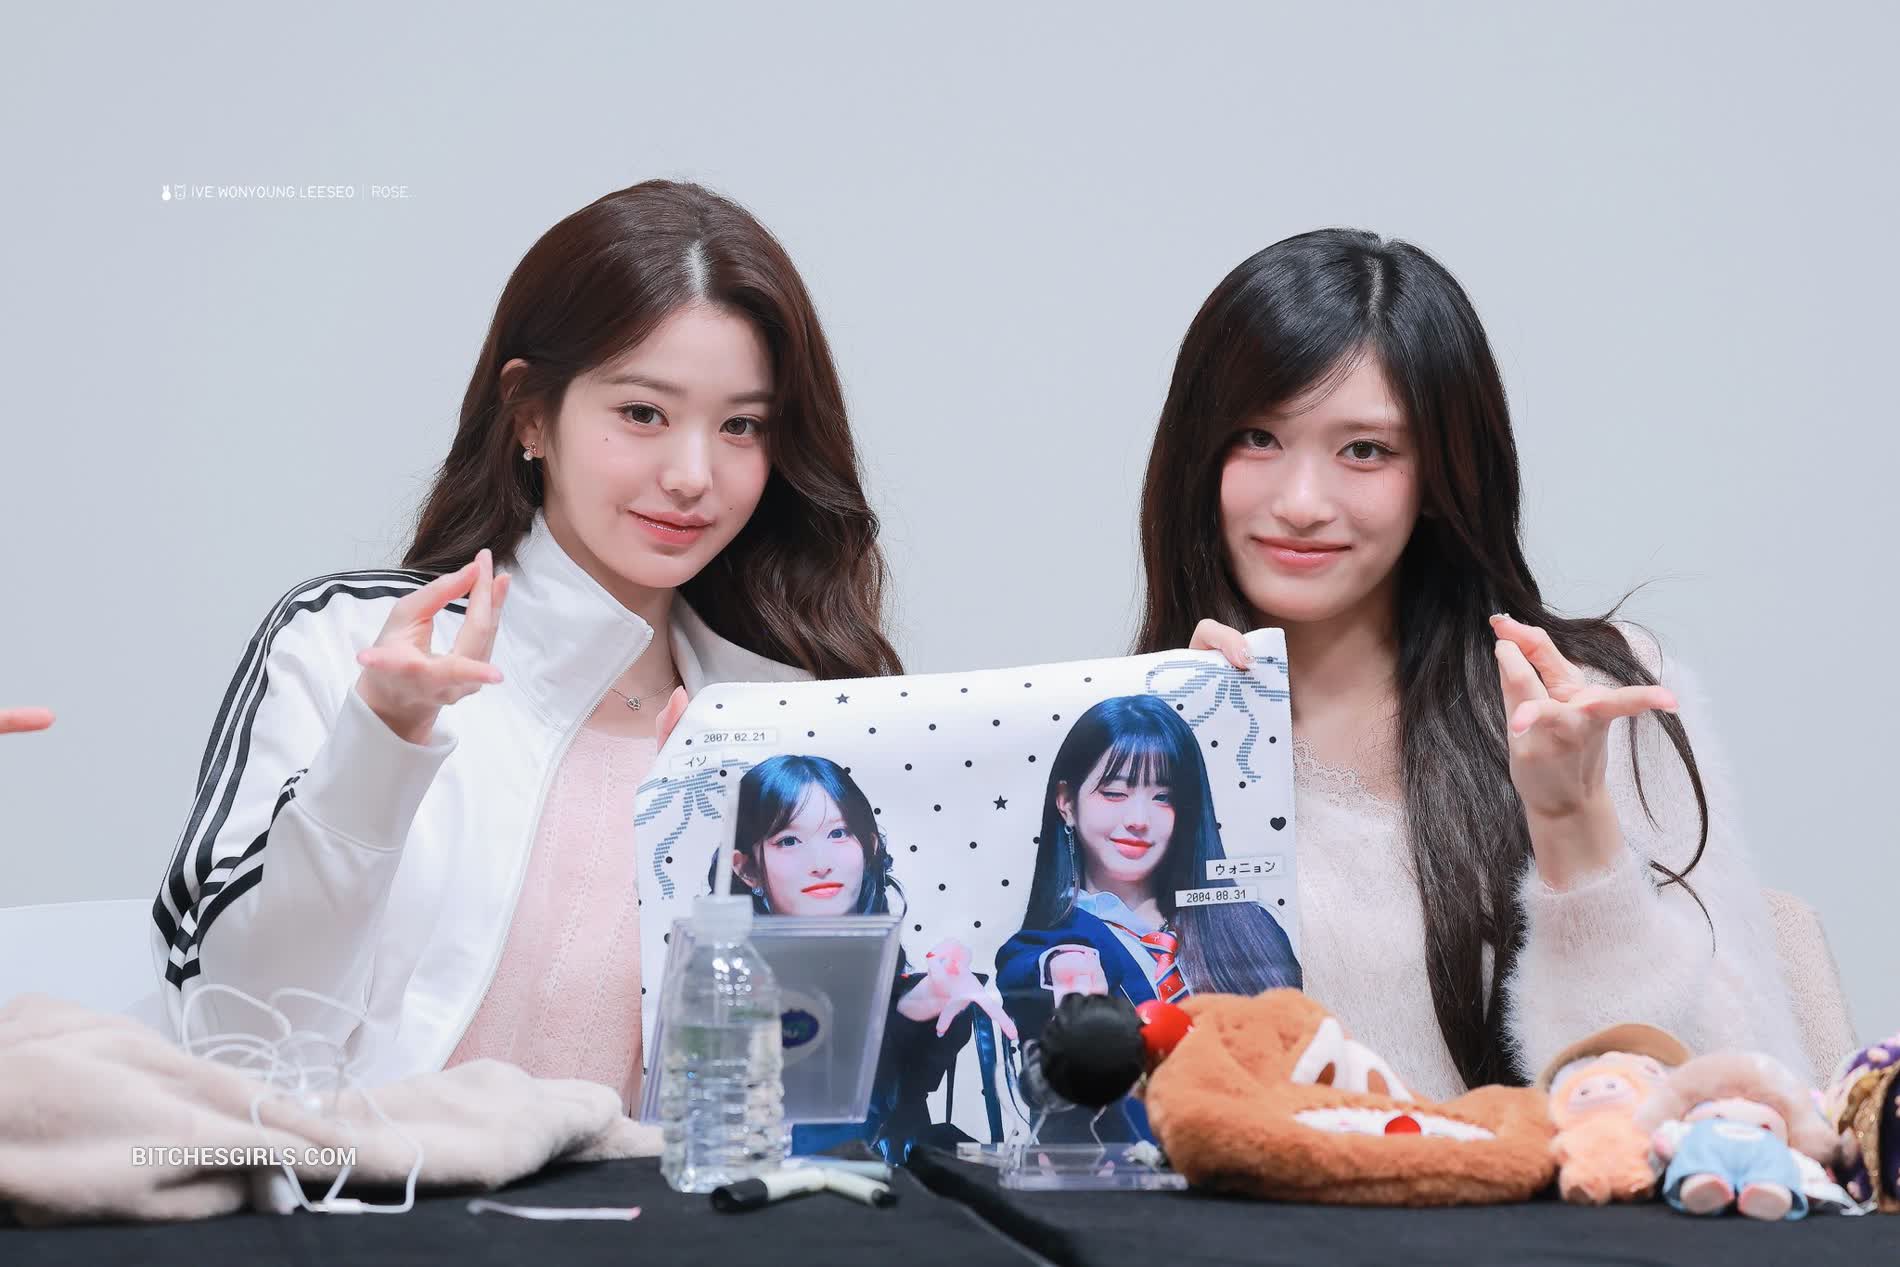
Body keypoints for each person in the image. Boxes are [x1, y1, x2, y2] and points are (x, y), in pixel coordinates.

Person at [152, 181, 902, 1109]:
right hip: (369, 1193)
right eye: (643, 413)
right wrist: (382, 740)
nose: (692, 475)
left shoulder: (786, 716)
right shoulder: (349, 641)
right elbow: (234, 1032)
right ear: (531, 413)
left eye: (741, 425)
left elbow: (825, 1085)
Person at [1137, 228, 1804, 1099]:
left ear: (1439, 476)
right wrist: (1188, 777)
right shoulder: (1128, 746)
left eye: (1365, 450)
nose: (1300, 503)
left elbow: (1727, 1092)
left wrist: (1573, 821)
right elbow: (1093, 1114)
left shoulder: (1590, 700)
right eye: (1258, 437)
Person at [995, 694, 1298, 1139]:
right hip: (1132, 1175)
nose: (1138, 819)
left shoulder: (1251, 928)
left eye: (1163, 798)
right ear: (1066, 802)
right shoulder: (1044, 950)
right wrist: (1065, 980)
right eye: (1114, 793)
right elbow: (1045, 1089)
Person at [719, 754, 1014, 1161]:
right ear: (747, 869)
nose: (820, 863)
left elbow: (896, 1091)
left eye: (839, 833)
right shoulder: (724, 986)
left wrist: (923, 1003)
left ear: (869, 846)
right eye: (788, 840)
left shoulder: (896, 989)